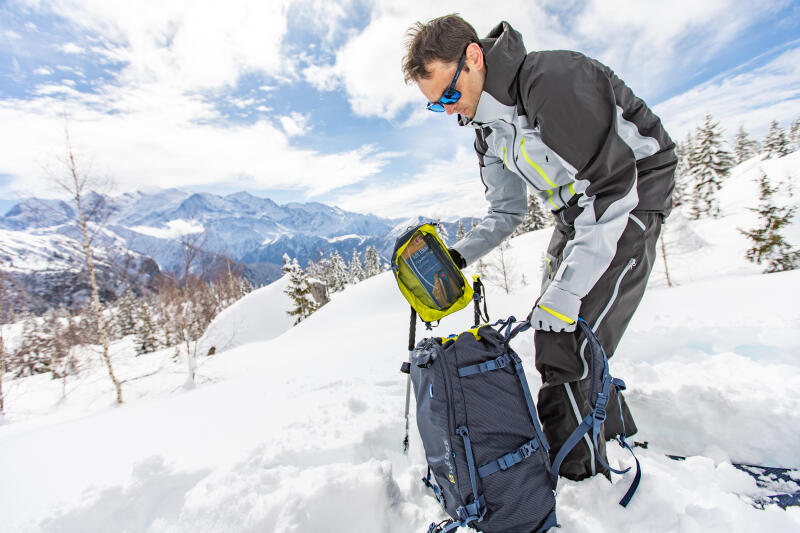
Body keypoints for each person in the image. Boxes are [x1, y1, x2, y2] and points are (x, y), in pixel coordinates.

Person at [402, 14, 676, 481]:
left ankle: (579, 473)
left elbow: (611, 188)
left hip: (631, 196)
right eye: (436, 105)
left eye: (448, 94)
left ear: (472, 57)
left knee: (567, 333)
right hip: (576, 214)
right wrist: (457, 256)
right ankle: (612, 431)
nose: (448, 109)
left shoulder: (553, 80)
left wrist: (567, 295)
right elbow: (506, 212)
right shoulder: (485, 130)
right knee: (560, 324)